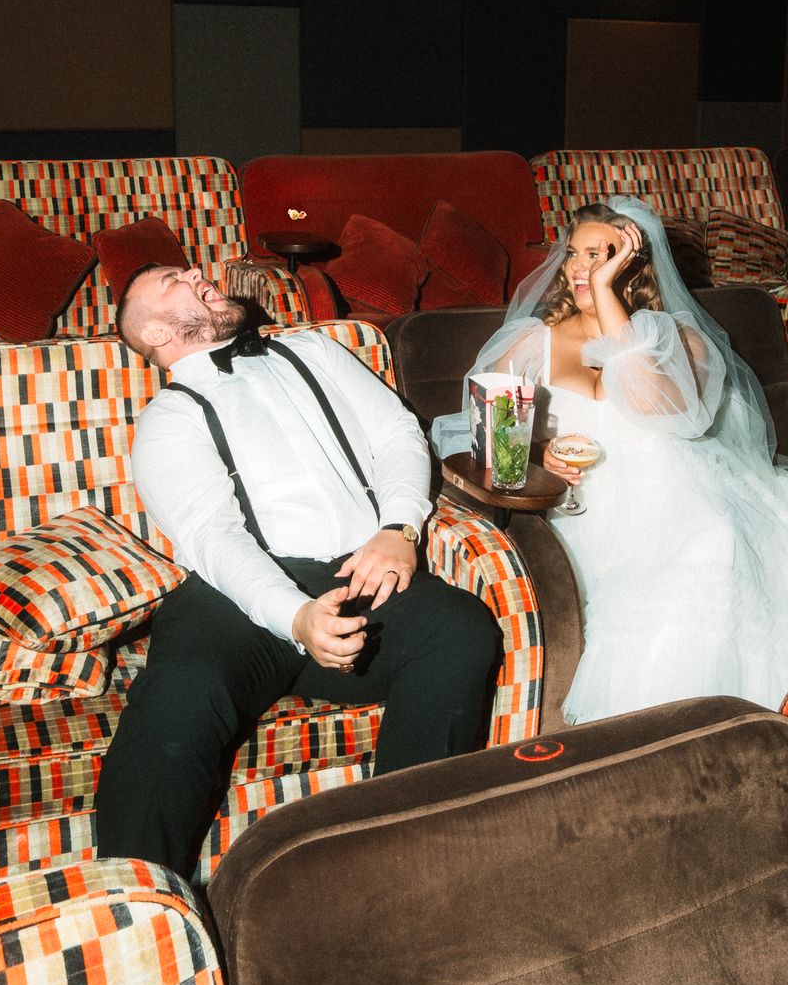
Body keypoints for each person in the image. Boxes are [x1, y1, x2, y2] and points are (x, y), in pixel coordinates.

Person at [432, 197, 788, 725]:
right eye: (574, 254)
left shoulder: (680, 340)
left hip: (678, 487)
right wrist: (540, 454)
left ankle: (720, 728)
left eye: (600, 256)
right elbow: (482, 439)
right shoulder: (529, 344)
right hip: (586, 501)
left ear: (632, 264)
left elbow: (663, 412)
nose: (582, 269)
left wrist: (608, 299)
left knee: (712, 537)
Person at [95, 264, 501, 879]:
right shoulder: (167, 419)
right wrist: (296, 614)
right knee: (180, 696)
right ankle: (135, 902)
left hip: (361, 573)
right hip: (240, 599)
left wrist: (399, 529)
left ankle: (403, 865)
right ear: (155, 330)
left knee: (461, 628)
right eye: (176, 279)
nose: (200, 272)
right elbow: (213, 538)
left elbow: (396, 434)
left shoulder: (312, 348)